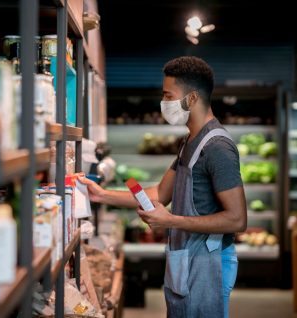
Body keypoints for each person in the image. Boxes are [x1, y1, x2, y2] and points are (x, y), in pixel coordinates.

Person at [79, 56, 247, 318]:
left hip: (209, 265)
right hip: (186, 260)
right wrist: (101, 195)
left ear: (191, 99)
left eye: (168, 95)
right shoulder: (188, 143)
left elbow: (237, 219)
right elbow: (160, 193)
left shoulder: (218, 148)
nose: (164, 103)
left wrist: (171, 221)